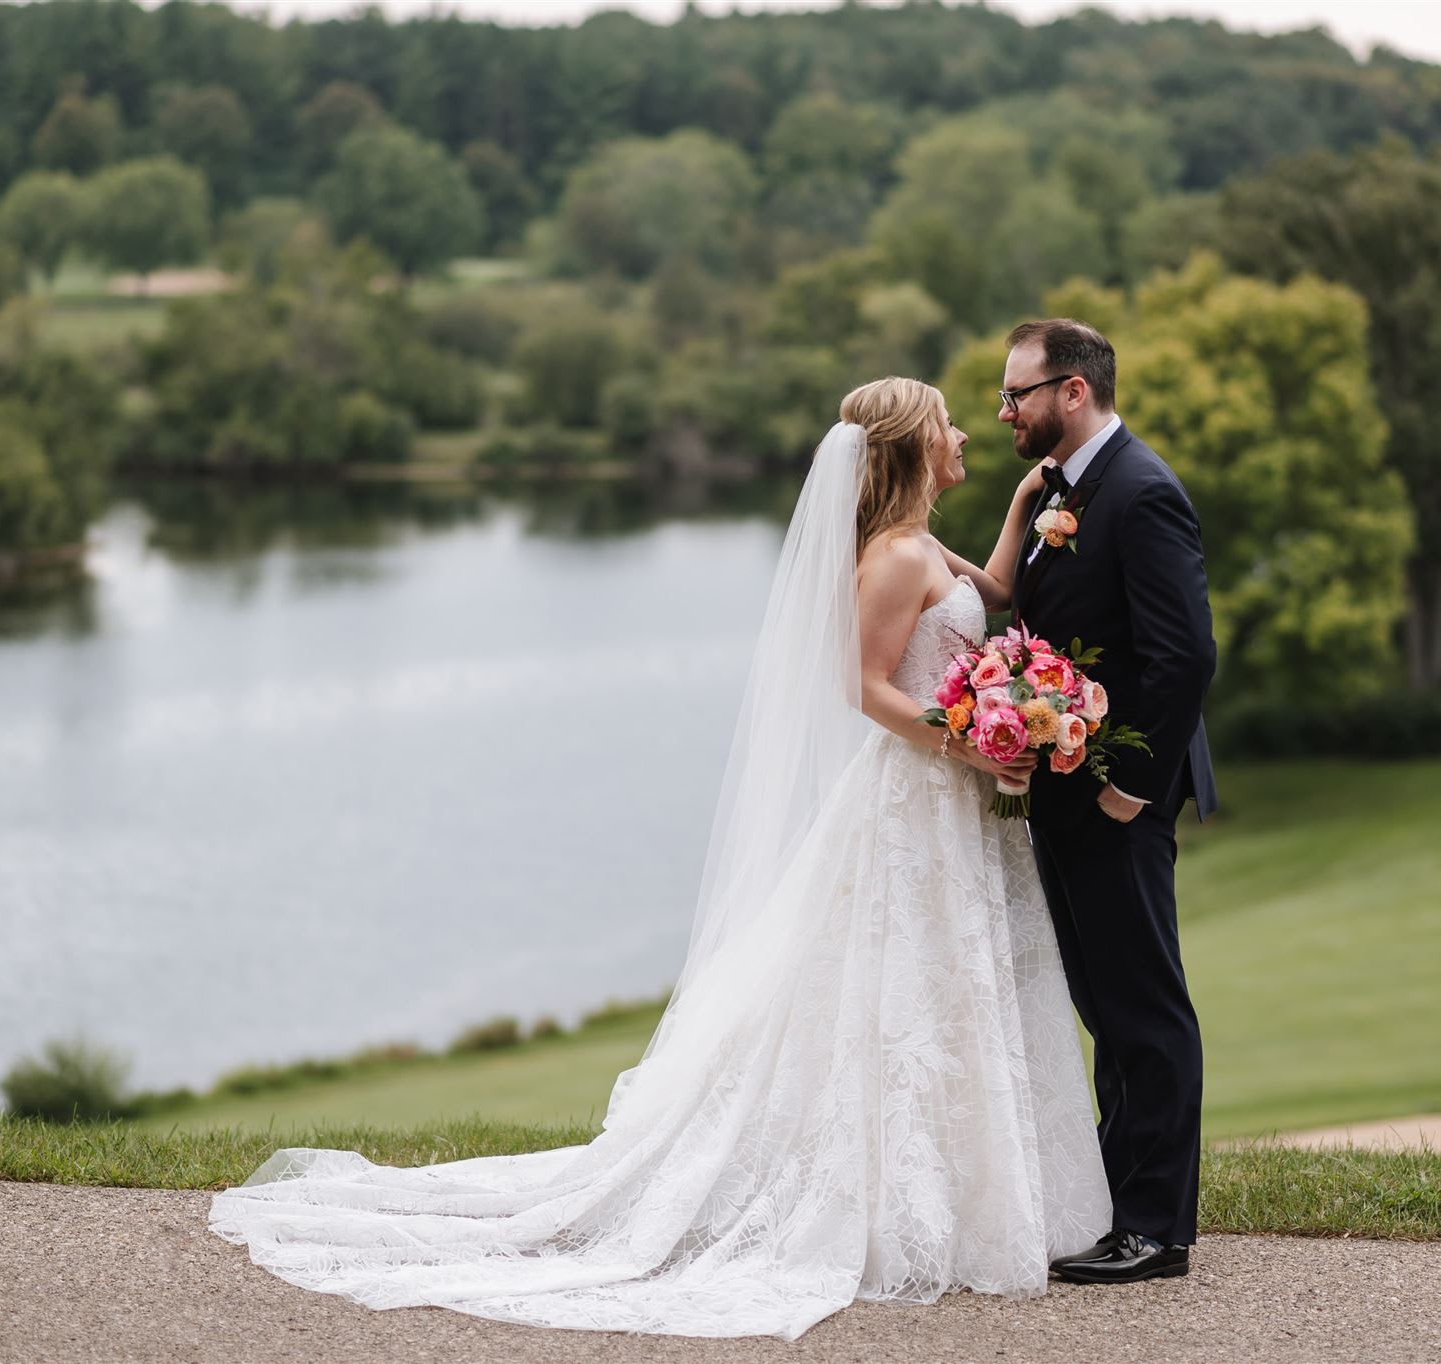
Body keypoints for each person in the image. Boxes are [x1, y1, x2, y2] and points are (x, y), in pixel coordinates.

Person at [208, 377, 1111, 1341]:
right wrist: (964, 742)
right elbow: (861, 686)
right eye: (946, 425)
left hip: (956, 801)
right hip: (917, 796)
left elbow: (996, 595)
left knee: (950, 985)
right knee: (898, 990)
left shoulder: (922, 541)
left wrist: (1023, 507)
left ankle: (970, 1196)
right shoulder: (892, 557)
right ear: (910, 445)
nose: (964, 433)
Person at [999, 318, 1218, 1285]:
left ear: (1073, 392)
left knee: (1144, 1005)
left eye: (1016, 394)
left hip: (1117, 795)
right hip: (1066, 792)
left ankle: (1158, 1231)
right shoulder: (1062, 489)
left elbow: (1186, 658)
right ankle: (1121, 1207)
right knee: (1104, 1003)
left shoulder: (1141, 491)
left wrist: (1134, 787)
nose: (1005, 411)